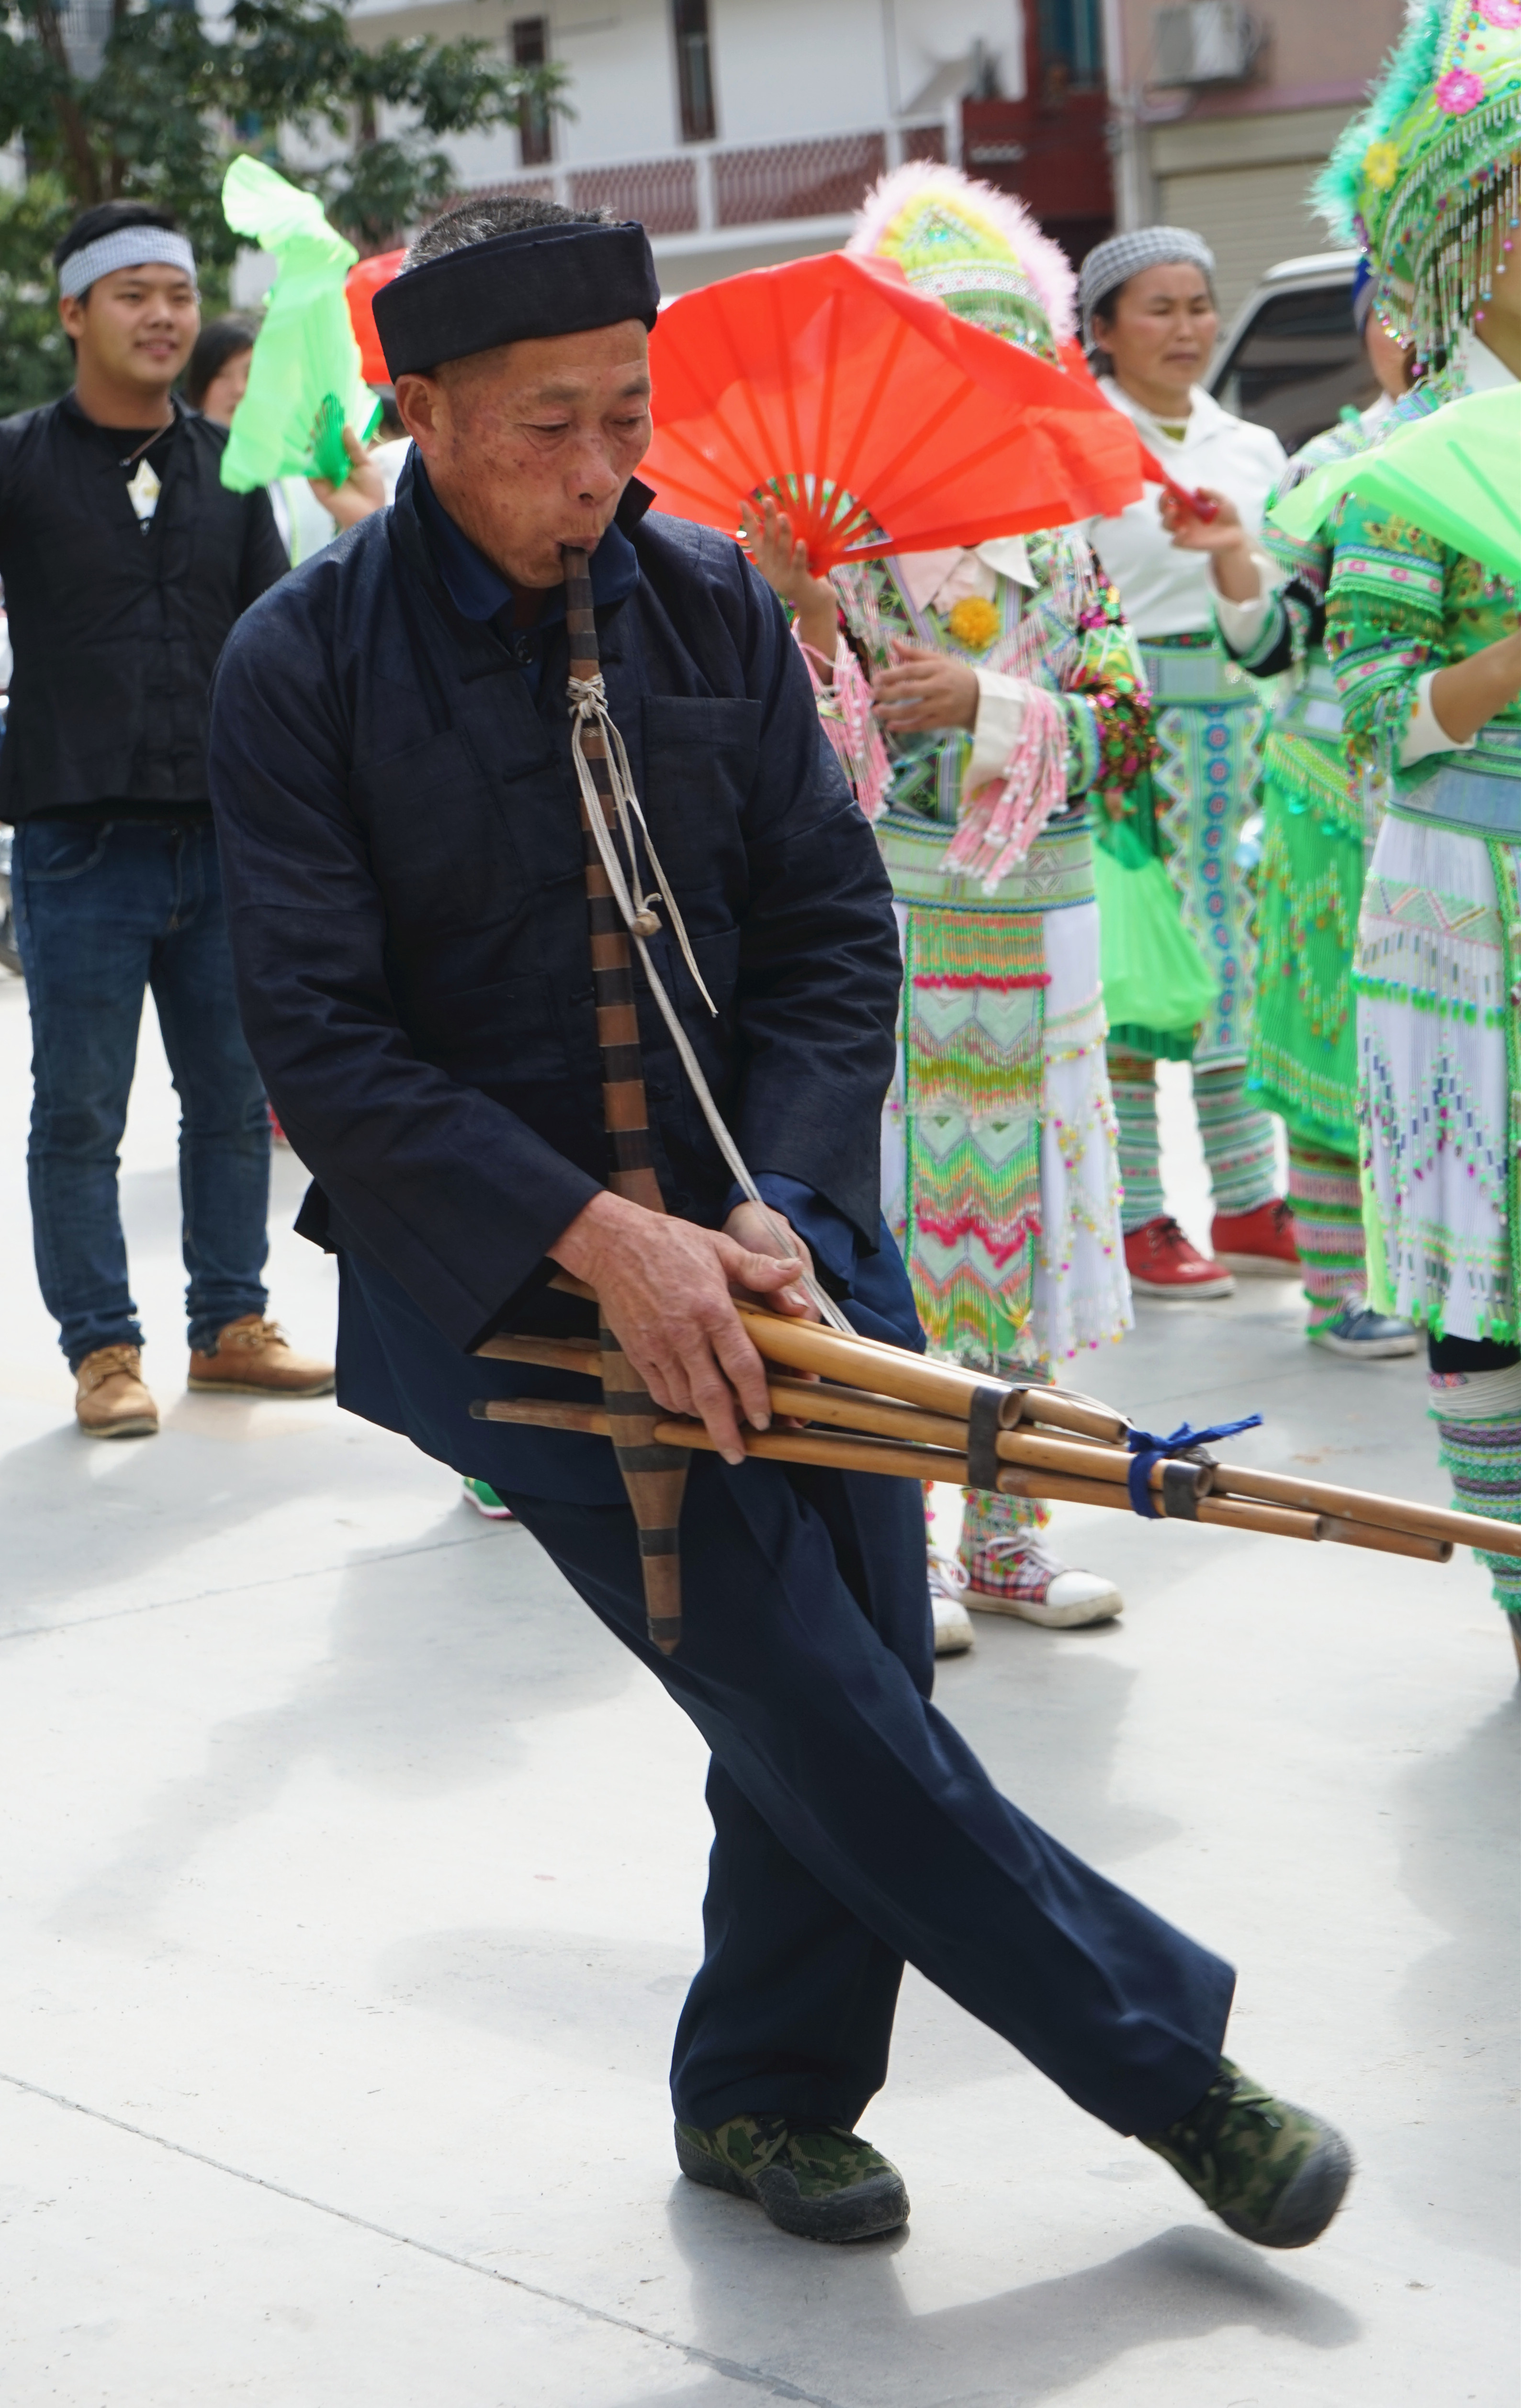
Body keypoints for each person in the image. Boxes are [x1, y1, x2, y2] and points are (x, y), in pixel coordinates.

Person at [206, 189, 1352, 2251]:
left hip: (786, 1251)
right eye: (546, 424)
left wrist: (786, 1203)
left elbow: (829, 935)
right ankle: (1175, 2073)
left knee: (845, 1700)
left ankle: (756, 2094)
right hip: (523, 1300)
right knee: (805, 1685)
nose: (595, 466)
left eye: (622, 415)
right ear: (428, 413)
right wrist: (604, 1235)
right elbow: (324, 1038)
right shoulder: (300, 665)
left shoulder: (707, 604)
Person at [744, 165, 1144, 1641]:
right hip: (894, 926)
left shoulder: (1068, 543)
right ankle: (899, 1522)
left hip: (1043, 923)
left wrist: (990, 696)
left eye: (1002, 355)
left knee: (1028, 1225)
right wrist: (803, 620)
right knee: (900, 1221)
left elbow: (1131, 728)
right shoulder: (839, 541)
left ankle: (1012, 1528)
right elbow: (792, 764)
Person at [0, 201, 334, 1436]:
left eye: (179, 295)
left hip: (220, 836)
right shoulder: (19, 460)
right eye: (133, 293)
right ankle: (103, 1346)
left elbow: (273, 648)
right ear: (75, 312)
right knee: (79, 1107)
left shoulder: (231, 471)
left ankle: (232, 1322)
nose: (162, 316)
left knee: (232, 1095)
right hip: (75, 838)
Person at [1318, 0, 1521, 1662]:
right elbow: (1364, 707)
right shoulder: (1396, 473)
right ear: (1473, 247)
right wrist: (1508, 660)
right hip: (1462, 887)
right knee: (1483, 1260)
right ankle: (1518, 1577)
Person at [1160, 262, 1420, 1358]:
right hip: (1330, 797)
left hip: (1468, 799)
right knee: (1329, 1045)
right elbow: (1273, 642)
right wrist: (1228, 557)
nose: (1407, 334)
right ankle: (1335, 1288)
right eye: (1387, 313)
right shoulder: (1335, 464)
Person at [1076, 230, 1294, 1300]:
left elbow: (1266, 628)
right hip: (1121, 735)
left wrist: (1230, 561)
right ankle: (1135, 1214)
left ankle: (1250, 1199)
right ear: (1102, 332)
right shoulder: (1077, 446)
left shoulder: (1251, 448)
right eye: (1156, 310)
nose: (1185, 328)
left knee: (1233, 957)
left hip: (1234, 729)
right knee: (1134, 966)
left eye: (1199, 305)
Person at [184, 313, 390, 557]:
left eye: (253, 373)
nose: (239, 389)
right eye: (220, 375)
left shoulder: (310, 476)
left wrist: (364, 522)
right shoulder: (179, 474)